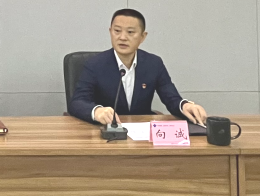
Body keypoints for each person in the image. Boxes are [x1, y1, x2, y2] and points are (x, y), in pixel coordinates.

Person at [68, 8, 208, 126]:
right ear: (110, 32)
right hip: (106, 132)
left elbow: (171, 98)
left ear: (142, 37)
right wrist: (97, 111)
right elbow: (77, 102)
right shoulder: (94, 64)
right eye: (117, 31)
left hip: (142, 133)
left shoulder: (154, 63)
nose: (122, 37)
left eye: (130, 32)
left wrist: (185, 106)